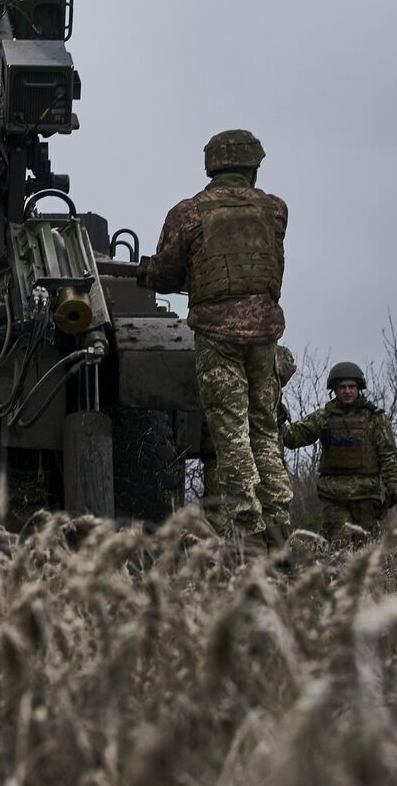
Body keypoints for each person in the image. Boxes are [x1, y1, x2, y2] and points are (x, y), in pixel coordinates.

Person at [138, 129, 292, 547]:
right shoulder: (275, 209)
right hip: (265, 333)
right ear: (252, 166)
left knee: (231, 434)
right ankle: (279, 522)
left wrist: (147, 272)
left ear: (212, 165)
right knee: (264, 431)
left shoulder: (189, 213)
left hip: (217, 334)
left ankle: (250, 531)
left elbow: (167, 272)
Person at [281, 361, 397, 541]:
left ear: (359, 388)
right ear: (335, 390)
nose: (347, 391)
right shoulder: (324, 417)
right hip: (334, 495)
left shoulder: (375, 418)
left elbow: (388, 455)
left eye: (351, 387)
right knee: (338, 548)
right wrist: (274, 419)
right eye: (342, 387)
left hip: (366, 495)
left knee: (366, 550)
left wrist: (393, 485)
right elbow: (294, 437)